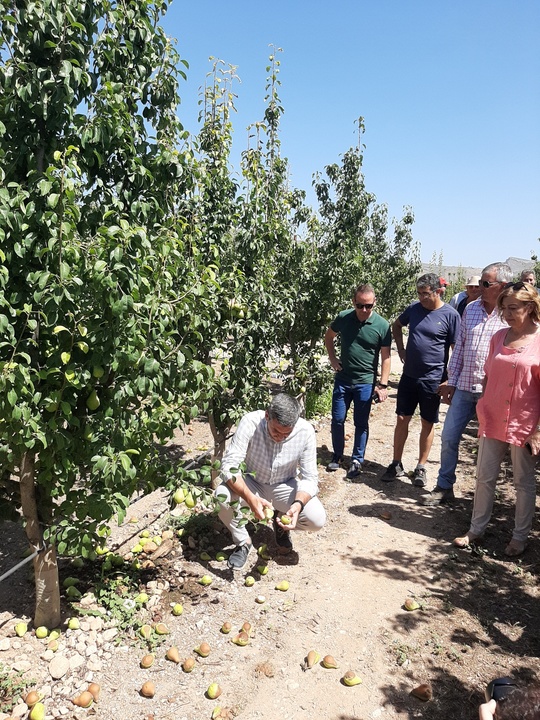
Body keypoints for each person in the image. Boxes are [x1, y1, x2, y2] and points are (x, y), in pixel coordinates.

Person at [453, 282, 540, 557]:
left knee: (523, 483)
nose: (507, 314)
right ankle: (476, 529)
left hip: (525, 423)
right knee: (484, 476)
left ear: (530, 307)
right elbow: (489, 373)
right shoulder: (498, 337)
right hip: (492, 418)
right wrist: (483, 405)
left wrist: (538, 430)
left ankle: (520, 536)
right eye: (504, 309)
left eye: (513, 308)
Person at [420, 262, 512, 505]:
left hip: (492, 393)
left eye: (485, 283)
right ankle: (444, 486)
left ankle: (484, 499)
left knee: (488, 448)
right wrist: (452, 379)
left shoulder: (511, 315)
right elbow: (459, 347)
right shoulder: (471, 309)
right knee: (449, 436)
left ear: (501, 286)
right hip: (464, 387)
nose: (479, 287)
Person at [215, 393, 326, 569]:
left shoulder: (305, 431)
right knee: (220, 497)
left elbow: (310, 477)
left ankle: (280, 520)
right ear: (267, 415)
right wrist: (250, 498)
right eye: (275, 431)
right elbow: (229, 466)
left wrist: (297, 505)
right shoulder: (251, 422)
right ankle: (243, 541)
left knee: (317, 520)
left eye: (286, 434)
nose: (279, 437)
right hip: (252, 482)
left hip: (285, 484)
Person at [382, 273, 460, 487]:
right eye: (419, 293)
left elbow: (456, 349)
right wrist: (401, 349)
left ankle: (421, 467)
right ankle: (396, 463)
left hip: (433, 379)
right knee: (401, 419)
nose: (422, 298)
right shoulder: (414, 309)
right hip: (409, 376)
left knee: (427, 422)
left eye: (425, 294)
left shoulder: (450, 315)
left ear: (438, 292)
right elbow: (396, 326)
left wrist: (450, 378)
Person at [324, 284, 391, 479]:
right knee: (337, 419)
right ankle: (337, 455)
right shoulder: (344, 317)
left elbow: (386, 357)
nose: (364, 310)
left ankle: (356, 460)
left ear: (374, 303)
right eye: (360, 305)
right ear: (353, 302)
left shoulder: (382, 325)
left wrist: (383, 385)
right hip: (343, 380)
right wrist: (332, 358)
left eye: (368, 306)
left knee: (360, 422)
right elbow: (329, 336)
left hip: (365, 382)